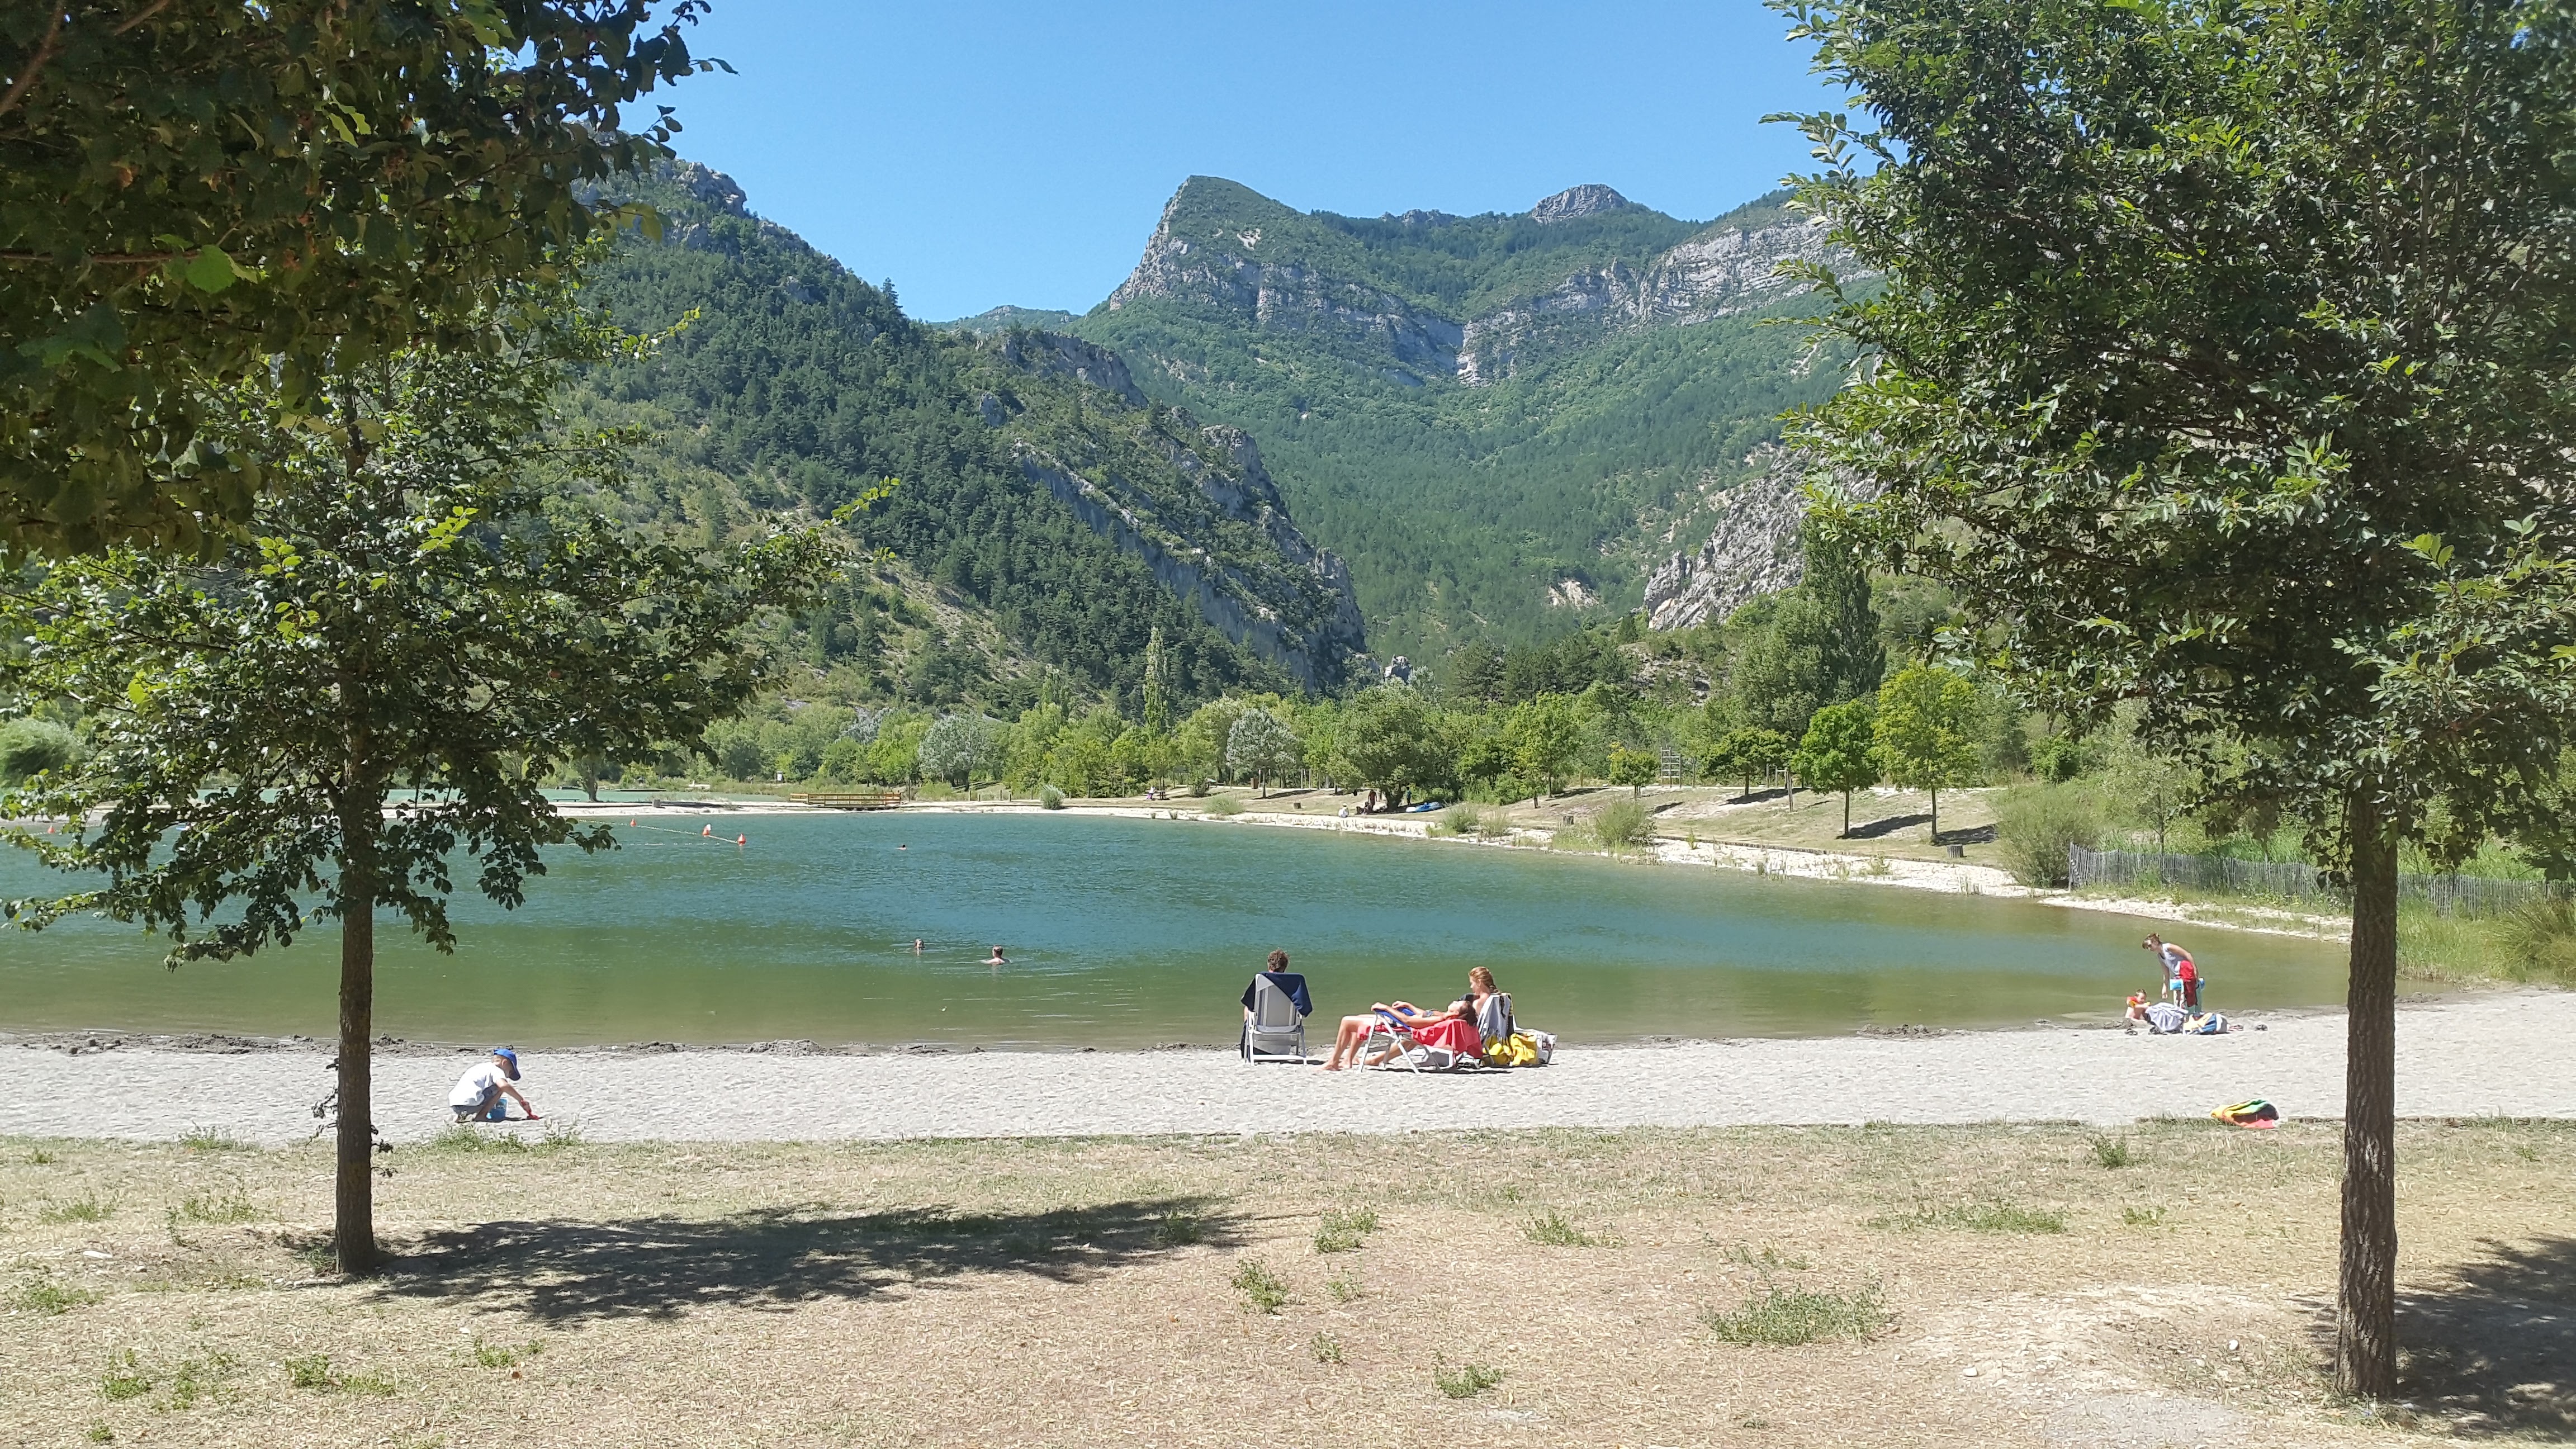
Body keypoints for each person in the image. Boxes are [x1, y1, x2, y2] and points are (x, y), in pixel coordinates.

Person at [1319, 968, 1500, 1071]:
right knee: (1358, 1019)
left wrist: (1386, 1008)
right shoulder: (1444, 1016)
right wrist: (1410, 1006)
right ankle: (1348, 1060)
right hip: (1406, 1024)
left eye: (1457, 1003)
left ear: (1456, 1014)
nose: (1456, 1000)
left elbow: (1408, 1022)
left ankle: (1334, 1062)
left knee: (1347, 1021)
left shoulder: (1442, 1020)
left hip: (1400, 1026)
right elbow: (1425, 1015)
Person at [449, 1048, 537, 1123]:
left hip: (455, 1105)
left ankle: (460, 1117)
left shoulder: (480, 1067)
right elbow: (503, 1086)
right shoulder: (497, 1070)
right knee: (500, 1088)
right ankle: (481, 1116)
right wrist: (521, 1100)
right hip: (470, 1105)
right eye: (510, 1072)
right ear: (504, 1063)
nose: (507, 1076)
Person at [1241, 949, 1313, 1022]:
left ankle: (1246, 1029)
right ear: (1285, 967)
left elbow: (1249, 1003)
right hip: (1289, 1026)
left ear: (1269, 965)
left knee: (1247, 1009)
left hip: (1262, 1026)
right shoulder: (1296, 982)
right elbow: (1305, 1010)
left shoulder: (1261, 979)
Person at [2143, 934, 2200, 1010]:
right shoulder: (2160, 956)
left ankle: (2190, 1010)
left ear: (2156, 942)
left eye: (2150, 946)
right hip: (2178, 975)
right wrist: (2165, 988)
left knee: (2187, 997)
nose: (2149, 949)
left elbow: (2187, 955)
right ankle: (2182, 1012)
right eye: (2147, 948)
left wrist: (2195, 970)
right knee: (2178, 998)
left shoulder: (2168, 947)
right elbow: (2166, 974)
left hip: (2187, 972)